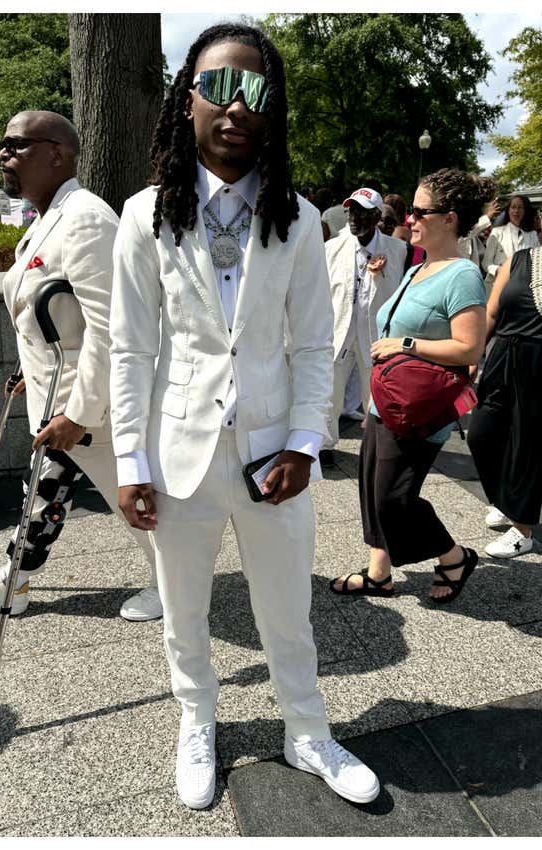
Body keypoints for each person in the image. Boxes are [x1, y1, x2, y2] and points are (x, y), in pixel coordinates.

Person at [108, 24, 380, 810]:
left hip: (272, 459)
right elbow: (130, 350)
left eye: (254, 91)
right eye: (217, 87)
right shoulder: (144, 215)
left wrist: (303, 442)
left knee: (286, 610)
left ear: (272, 109)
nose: (234, 107)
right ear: (186, 96)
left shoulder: (297, 217)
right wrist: (130, 462)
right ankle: (197, 722)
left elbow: (312, 345)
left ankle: (306, 731)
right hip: (180, 453)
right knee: (184, 610)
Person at [0, 111, 161, 623]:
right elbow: (53, 315)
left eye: (16, 144)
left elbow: (111, 325)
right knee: (44, 493)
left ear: (57, 153)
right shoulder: (52, 217)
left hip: (91, 405)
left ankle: (174, 586)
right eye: (3, 145)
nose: (4, 154)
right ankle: (15, 582)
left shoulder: (87, 219)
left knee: (137, 502)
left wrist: (79, 413)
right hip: (57, 396)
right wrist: (32, 370)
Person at [329, 168, 493, 602]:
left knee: (394, 499)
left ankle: (453, 555)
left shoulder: (461, 274)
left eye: (421, 211)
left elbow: (470, 348)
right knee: (371, 488)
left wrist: (406, 344)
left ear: (450, 219)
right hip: (388, 401)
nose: (408, 218)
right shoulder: (419, 265)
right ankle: (379, 573)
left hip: (420, 409)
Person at [467, 176, 542, 557]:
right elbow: (493, 312)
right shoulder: (519, 260)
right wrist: (472, 353)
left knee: (531, 448)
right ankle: (506, 499)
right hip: (505, 357)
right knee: (481, 434)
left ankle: (522, 529)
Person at [320, 187, 407, 467]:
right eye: (351, 211)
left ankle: (377, 443)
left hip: (375, 333)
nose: (354, 218)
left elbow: (398, 293)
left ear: (377, 216)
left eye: (362, 212)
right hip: (339, 328)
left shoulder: (398, 250)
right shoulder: (332, 248)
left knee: (377, 391)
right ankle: (324, 444)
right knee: (329, 390)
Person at [482, 194, 539, 290]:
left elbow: (537, 262)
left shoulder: (532, 235)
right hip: (497, 286)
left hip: (522, 287)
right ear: (508, 210)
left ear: (525, 211)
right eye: (513, 207)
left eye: (520, 207)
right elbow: (486, 263)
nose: (516, 211)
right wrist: (499, 270)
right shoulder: (497, 232)